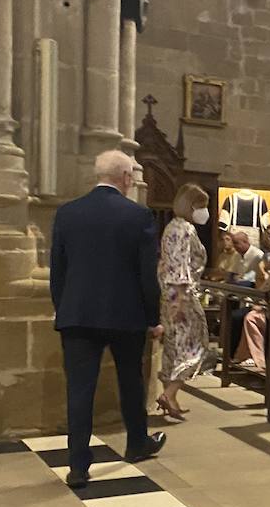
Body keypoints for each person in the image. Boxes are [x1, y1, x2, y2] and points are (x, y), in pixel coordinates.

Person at [49, 150, 165, 487]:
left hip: (77, 314)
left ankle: (77, 465)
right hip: (125, 315)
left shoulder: (68, 213)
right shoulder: (138, 215)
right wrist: (152, 317)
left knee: (79, 389)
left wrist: (64, 305)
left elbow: (59, 270)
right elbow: (147, 275)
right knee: (131, 381)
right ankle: (137, 444)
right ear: (127, 178)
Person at [156, 183, 211, 421]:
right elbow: (179, 266)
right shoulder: (184, 228)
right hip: (181, 295)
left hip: (170, 294)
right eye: (201, 207)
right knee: (195, 345)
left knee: (174, 344)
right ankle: (169, 393)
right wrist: (179, 300)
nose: (204, 212)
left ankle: (172, 396)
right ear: (191, 206)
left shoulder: (172, 226)